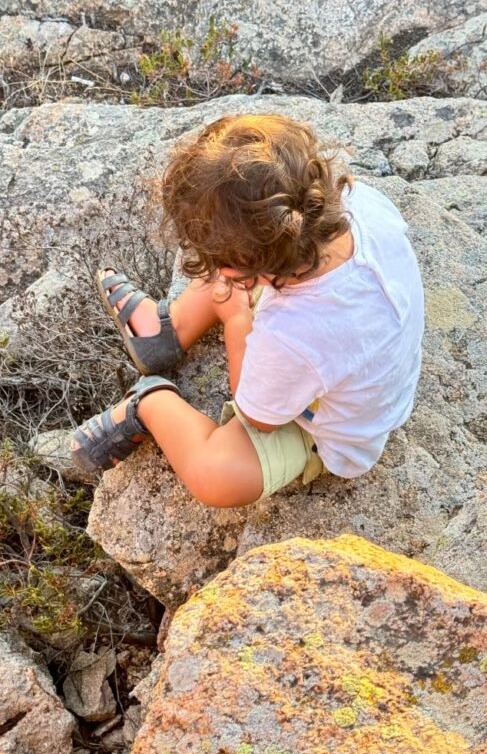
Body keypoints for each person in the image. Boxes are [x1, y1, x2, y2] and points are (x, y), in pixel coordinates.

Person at [69, 113, 425, 508]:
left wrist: (238, 319)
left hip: (330, 432)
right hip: (347, 335)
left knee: (218, 478)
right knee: (251, 239)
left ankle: (151, 402)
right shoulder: (360, 204)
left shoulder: (291, 334)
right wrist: (240, 289)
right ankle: (164, 331)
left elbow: (256, 416)